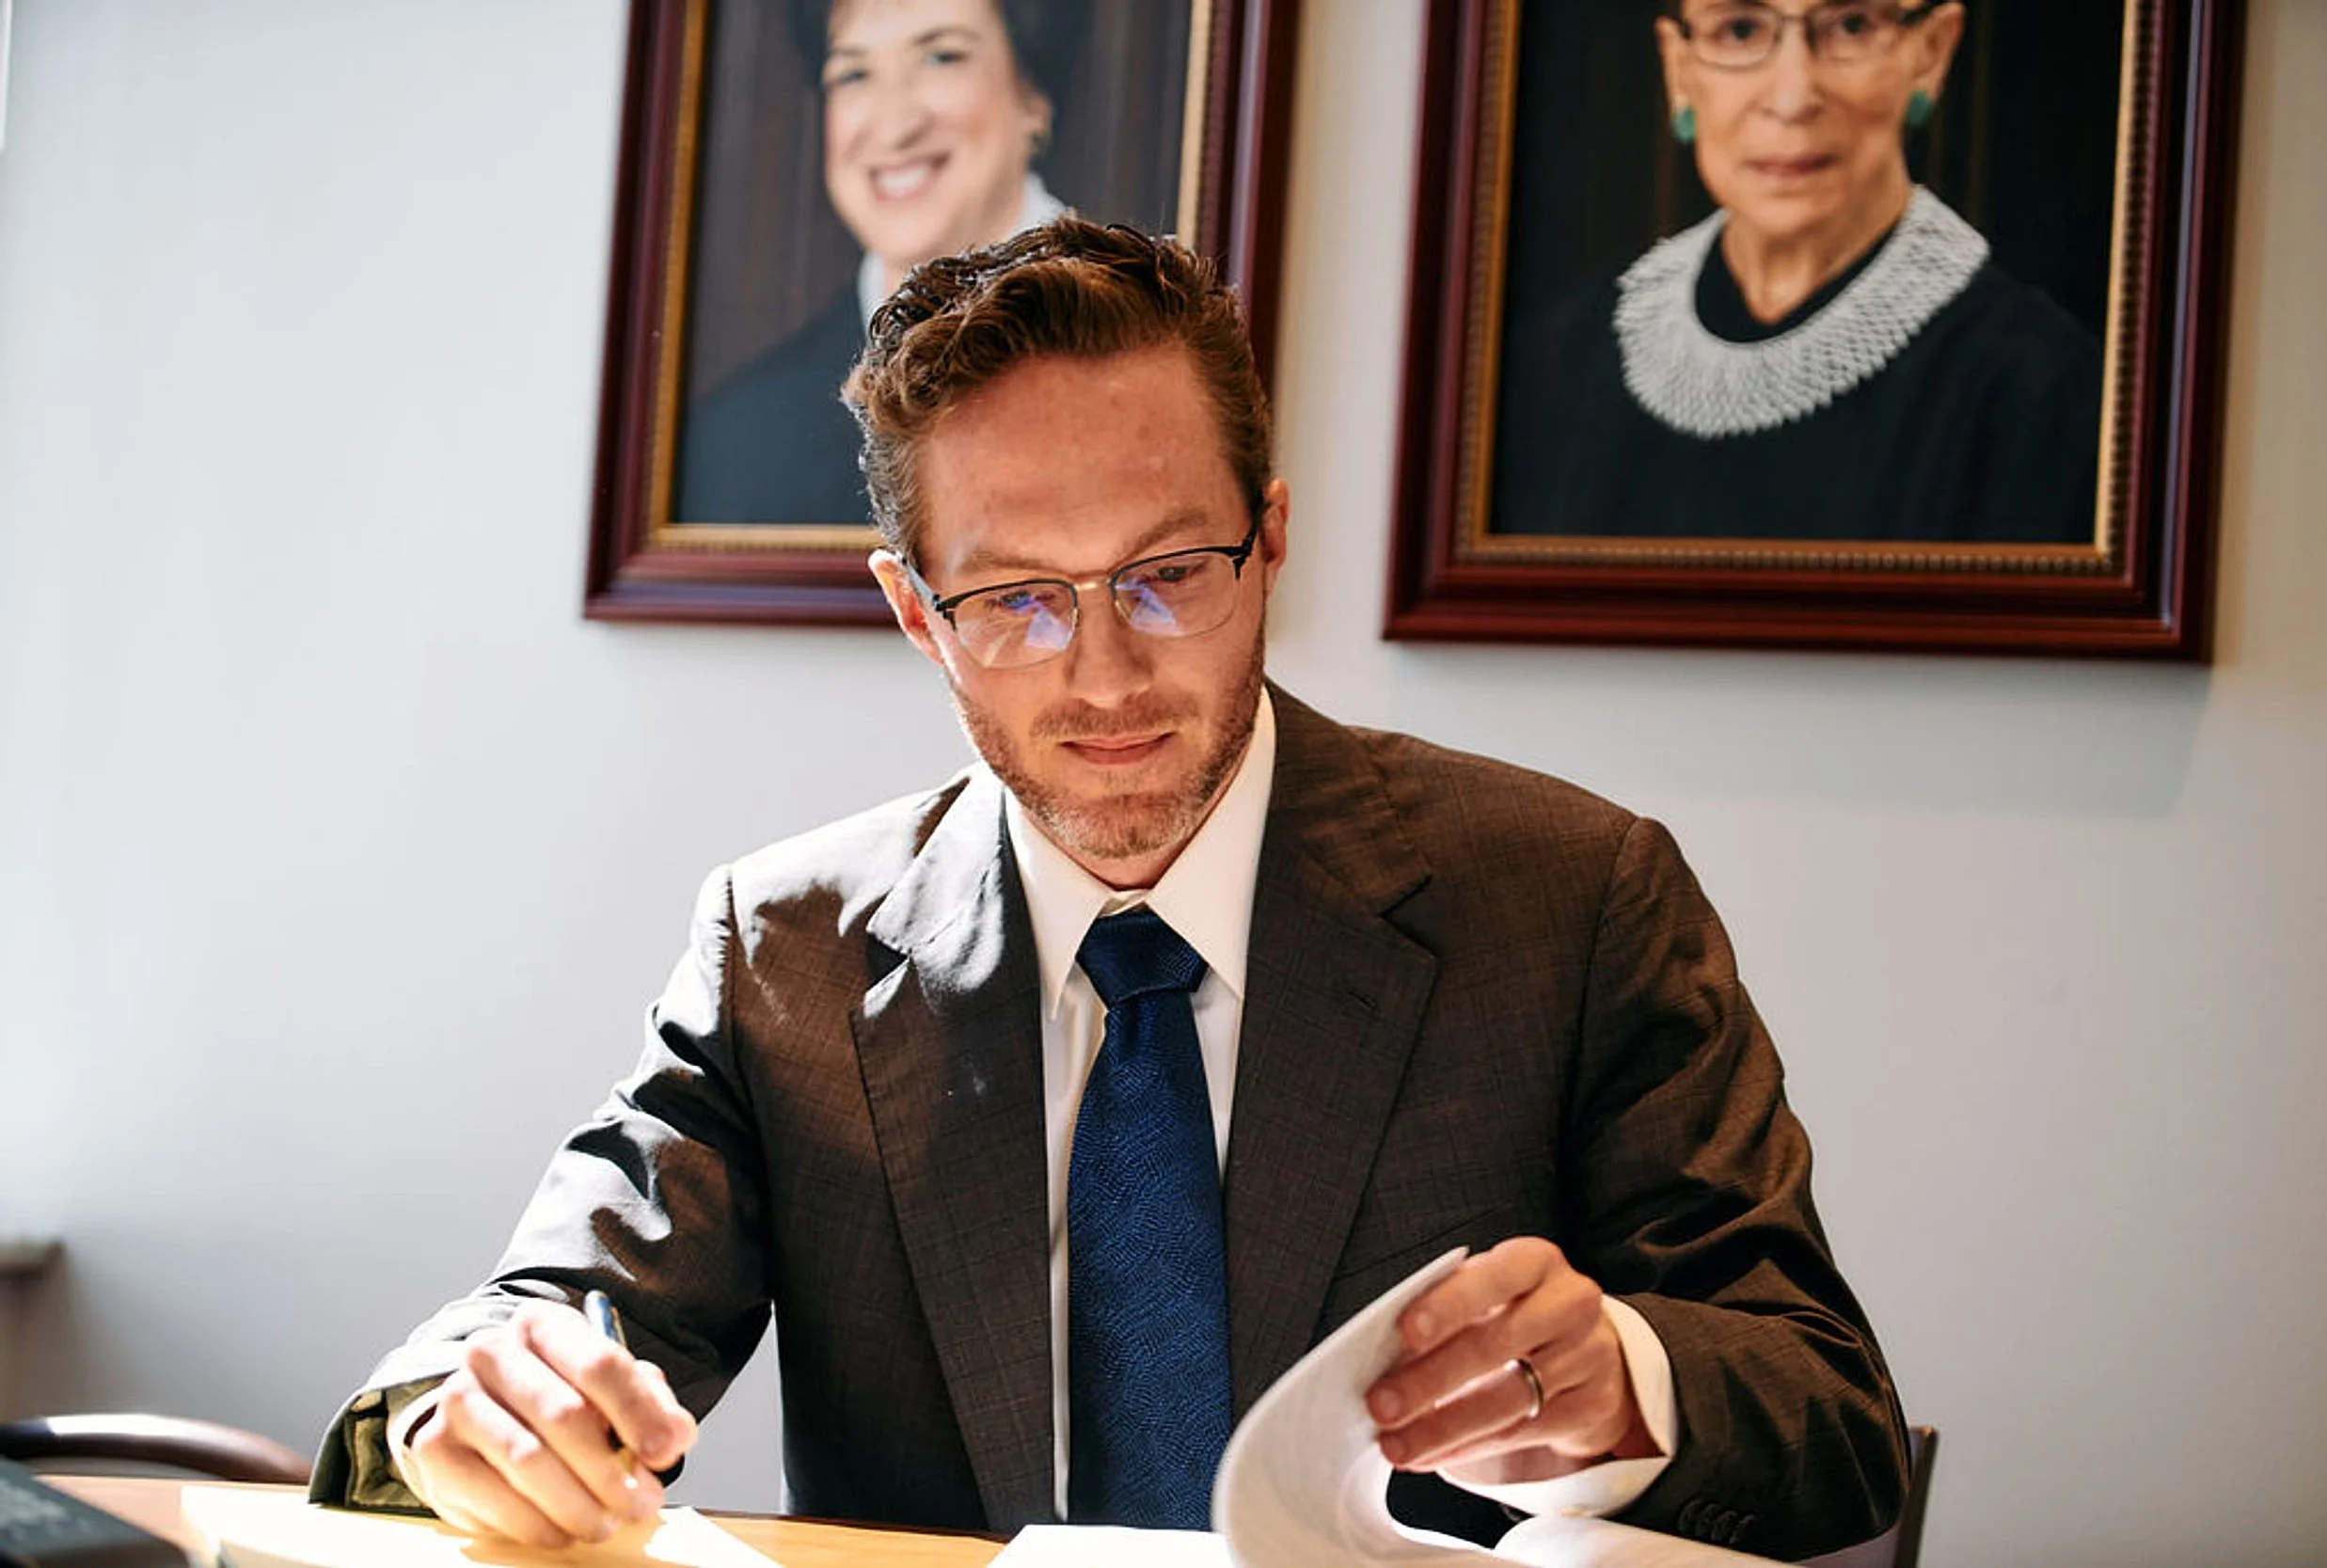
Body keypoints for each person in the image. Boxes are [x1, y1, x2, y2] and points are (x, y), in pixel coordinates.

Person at [311, 219, 1908, 1560]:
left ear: (1267, 542)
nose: (1106, 675)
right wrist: (478, 1404)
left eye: (1165, 573)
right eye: (1014, 597)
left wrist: (1629, 1375)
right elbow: (557, 1316)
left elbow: (1829, 1418)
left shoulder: (1570, 901)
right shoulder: (782, 954)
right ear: (918, 618)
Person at [1491, 0, 2102, 545]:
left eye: (1852, 25)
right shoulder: (1555, 359)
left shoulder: (2043, 388)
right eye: (1738, 29)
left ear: (1931, 52)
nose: (1792, 97)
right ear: (1680, 69)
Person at [673, 0, 1080, 524]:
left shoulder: (1158, 371)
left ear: (1034, 96)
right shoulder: (734, 439)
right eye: (854, 73)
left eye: (941, 58)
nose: (894, 126)